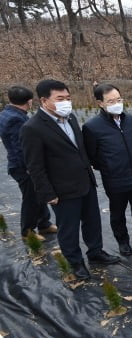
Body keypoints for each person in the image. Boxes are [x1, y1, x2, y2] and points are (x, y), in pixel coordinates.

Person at [21, 79, 119, 280]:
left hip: (85, 183)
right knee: (69, 229)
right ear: (44, 101)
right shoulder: (33, 128)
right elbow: (35, 166)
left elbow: (80, 150)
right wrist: (48, 194)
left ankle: (96, 252)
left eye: (68, 98)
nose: (66, 102)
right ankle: (76, 263)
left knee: (92, 222)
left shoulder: (71, 118)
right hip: (62, 190)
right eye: (60, 99)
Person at [83, 84, 132, 257]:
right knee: (118, 212)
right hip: (115, 178)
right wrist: (109, 166)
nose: (116, 103)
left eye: (118, 99)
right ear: (100, 103)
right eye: (111, 101)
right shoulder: (92, 127)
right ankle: (123, 241)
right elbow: (92, 156)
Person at [0, 86, 56, 241]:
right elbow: (21, 148)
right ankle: (28, 231)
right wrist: (30, 168)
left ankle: (44, 223)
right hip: (22, 166)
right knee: (31, 198)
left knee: (39, 194)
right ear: (29, 101)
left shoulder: (6, 113)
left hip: (19, 164)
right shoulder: (16, 119)